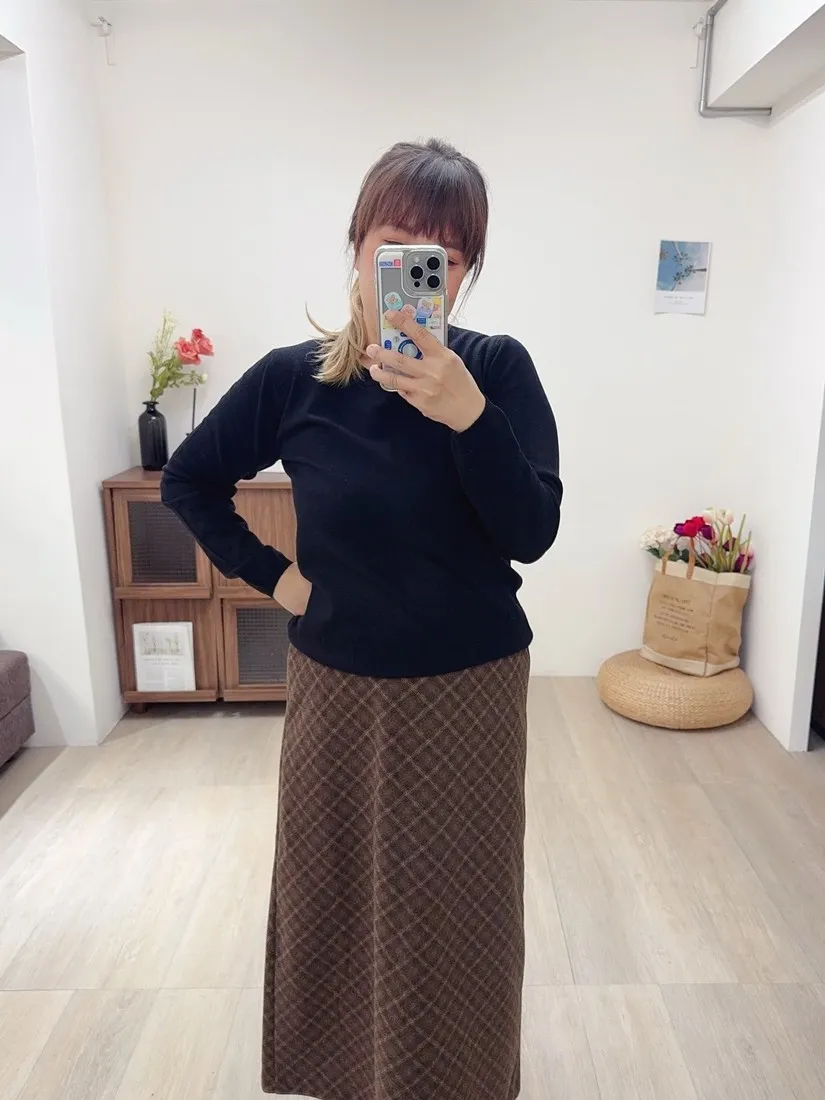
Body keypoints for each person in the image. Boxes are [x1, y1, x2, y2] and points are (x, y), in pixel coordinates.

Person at [161, 137, 562, 1100]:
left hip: (468, 691)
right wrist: (277, 580)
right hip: (336, 687)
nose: (422, 271)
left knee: (457, 906)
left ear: (465, 274)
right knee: (331, 893)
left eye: (445, 256)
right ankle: (346, 1073)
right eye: (397, 246)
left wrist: (468, 417)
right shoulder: (294, 379)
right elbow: (189, 480)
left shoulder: (497, 372)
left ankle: (459, 1079)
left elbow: (533, 532)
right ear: (357, 249)